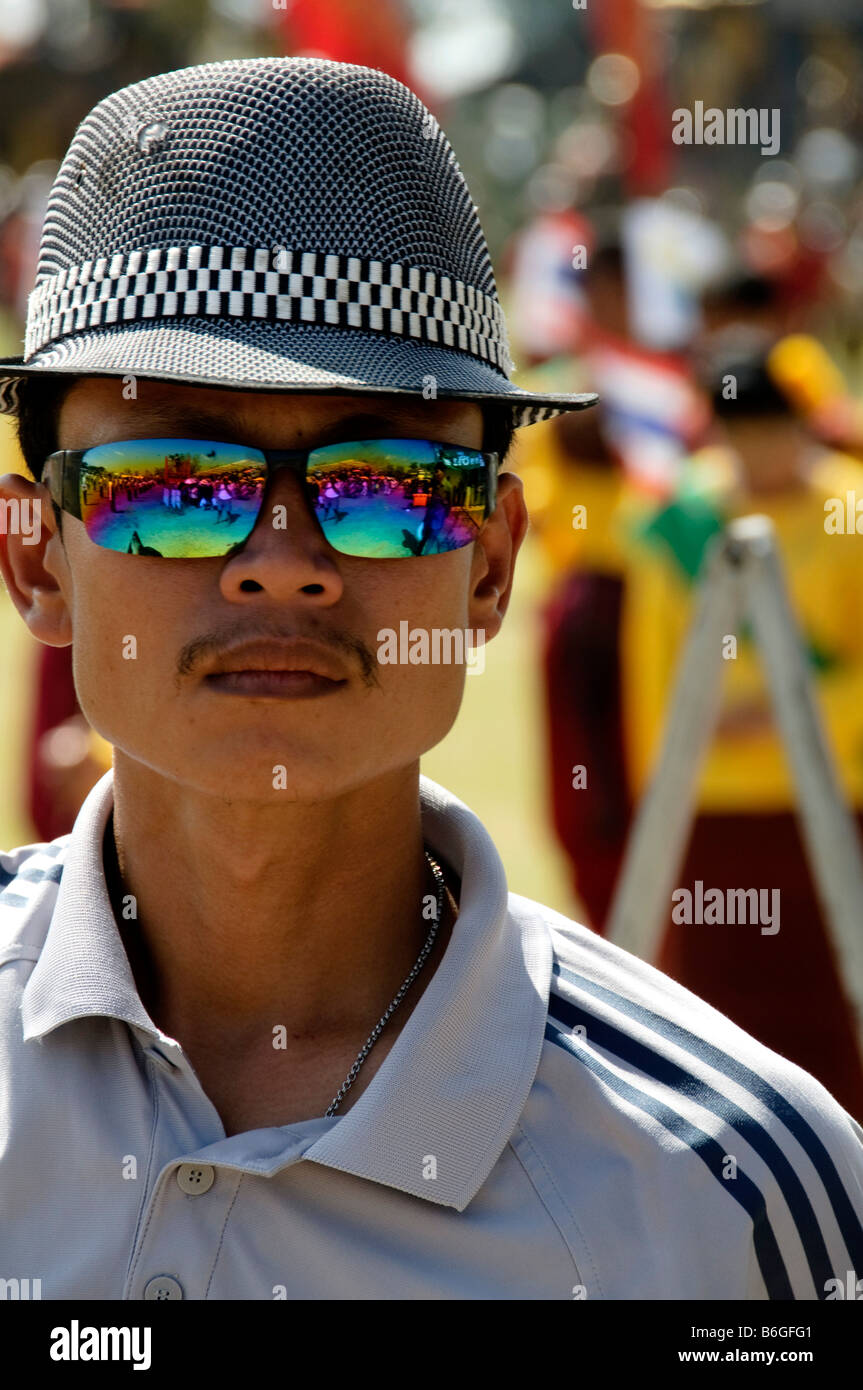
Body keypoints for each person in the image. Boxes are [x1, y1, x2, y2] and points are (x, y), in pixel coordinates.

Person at [0, 56, 859, 1302]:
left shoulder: (719, 1201)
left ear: (491, 568)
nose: (281, 565)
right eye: (176, 485)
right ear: (38, 559)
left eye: (389, 488)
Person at [619, 344, 863, 1119]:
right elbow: (649, 678)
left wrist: (797, 715)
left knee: (836, 1019)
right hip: (712, 808)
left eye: (774, 428)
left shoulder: (851, 508)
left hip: (835, 800)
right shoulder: (677, 524)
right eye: (740, 429)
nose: (759, 448)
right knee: (721, 1030)